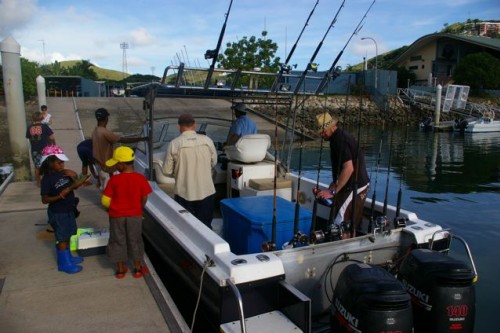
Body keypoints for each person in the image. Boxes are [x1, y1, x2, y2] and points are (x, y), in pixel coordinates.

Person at [313, 112, 370, 239]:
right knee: (345, 223)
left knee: (342, 225)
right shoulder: (337, 138)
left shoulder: (339, 140)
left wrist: (333, 191)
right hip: (349, 185)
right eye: (320, 132)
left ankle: (344, 252)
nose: (322, 135)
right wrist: (333, 185)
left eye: (323, 131)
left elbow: (348, 168)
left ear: (332, 126)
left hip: (356, 186)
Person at [101, 146, 152, 279]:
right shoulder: (141, 179)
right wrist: (139, 209)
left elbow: (105, 201)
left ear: (121, 165)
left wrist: (109, 208)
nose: (115, 167)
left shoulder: (114, 180)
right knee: (135, 240)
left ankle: (120, 269)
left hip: (116, 216)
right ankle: (137, 268)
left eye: (116, 164)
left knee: (118, 240)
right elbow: (144, 197)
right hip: (135, 215)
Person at [163, 114, 217, 228]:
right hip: (207, 191)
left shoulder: (174, 144)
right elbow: (214, 163)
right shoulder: (207, 140)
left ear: (179, 127)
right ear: (195, 125)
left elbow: (167, 171)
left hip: (184, 193)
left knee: (185, 226)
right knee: (206, 225)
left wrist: (179, 172)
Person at [40, 144, 87, 274]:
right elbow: (44, 200)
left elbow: (75, 186)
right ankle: (64, 263)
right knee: (61, 238)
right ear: (49, 163)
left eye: (63, 162)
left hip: (68, 210)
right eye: (59, 163)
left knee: (68, 234)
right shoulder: (47, 180)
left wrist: (74, 176)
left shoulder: (63, 173)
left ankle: (68, 257)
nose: (62, 165)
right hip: (58, 213)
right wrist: (60, 195)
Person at [91, 108, 147, 190]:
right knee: (108, 191)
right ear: (106, 119)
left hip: (99, 165)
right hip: (105, 167)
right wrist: (141, 139)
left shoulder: (95, 131)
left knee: (105, 188)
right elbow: (122, 140)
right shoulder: (104, 132)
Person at [26, 111, 56, 187]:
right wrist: (54, 144)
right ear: (42, 118)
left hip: (35, 149)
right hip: (45, 149)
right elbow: (52, 137)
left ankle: (38, 183)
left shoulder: (29, 127)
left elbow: (29, 139)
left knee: (37, 167)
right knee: (48, 165)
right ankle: (48, 182)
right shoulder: (45, 126)